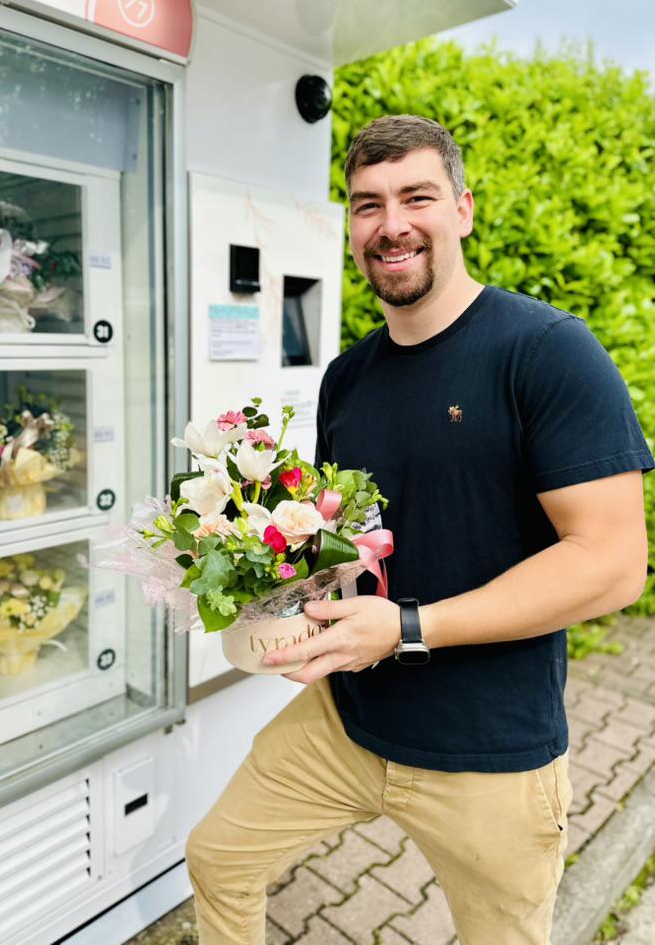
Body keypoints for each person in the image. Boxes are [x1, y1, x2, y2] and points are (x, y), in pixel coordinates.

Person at [185, 115, 653, 944]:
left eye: (416, 197)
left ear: (463, 210)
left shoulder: (546, 353)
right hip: (347, 720)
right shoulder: (348, 375)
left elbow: (613, 566)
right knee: (219, 858)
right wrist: (265, 585)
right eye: (368, 204)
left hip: (490, 753)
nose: (391, 224)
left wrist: (405, 629)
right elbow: (354, 537)